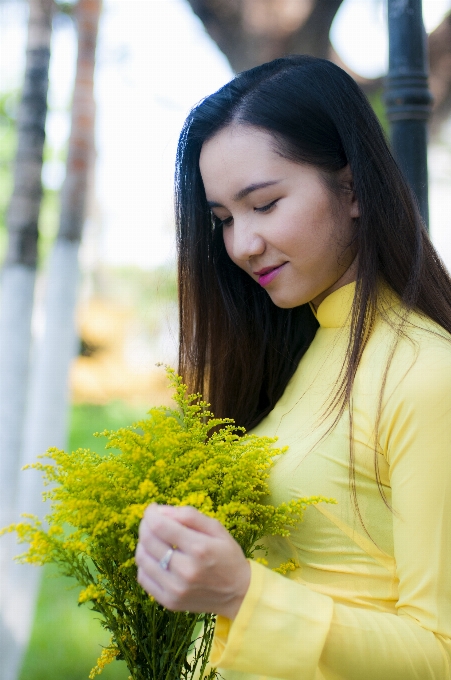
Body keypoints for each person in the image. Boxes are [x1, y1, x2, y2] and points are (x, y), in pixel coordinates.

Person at [135, 55, 451, 679]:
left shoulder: (425, 374)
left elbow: (440, 653)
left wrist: (242, 595)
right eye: (224, 219)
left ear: (353, 188)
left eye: (265, 204)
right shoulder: (302, 349)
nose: (241, 245)